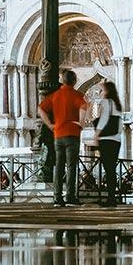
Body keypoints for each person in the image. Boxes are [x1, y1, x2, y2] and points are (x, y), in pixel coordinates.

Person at [38, 70, 87, 206]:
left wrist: (50, 125)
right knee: (71, 166)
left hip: (58, 135)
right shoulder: (77, 94)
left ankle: (57, 198)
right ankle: (70, 196)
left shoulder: (56, 95)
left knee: (58, 166)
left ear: (63, 80)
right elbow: (83, 107)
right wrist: (81, 124)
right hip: (72, 134)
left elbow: (41, 109)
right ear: (74, 81)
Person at [90, 81, 124, 206]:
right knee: (111, 170)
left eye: (102, 91)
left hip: (106, 139)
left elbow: (103, 119)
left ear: (107, 91)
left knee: (108, 169)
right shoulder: (118, 104)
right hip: (116, 140)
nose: (101, 93)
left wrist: (96, 135)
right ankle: (112, 197)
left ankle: (110, 199)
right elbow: (119, 124)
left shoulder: (106, 102)